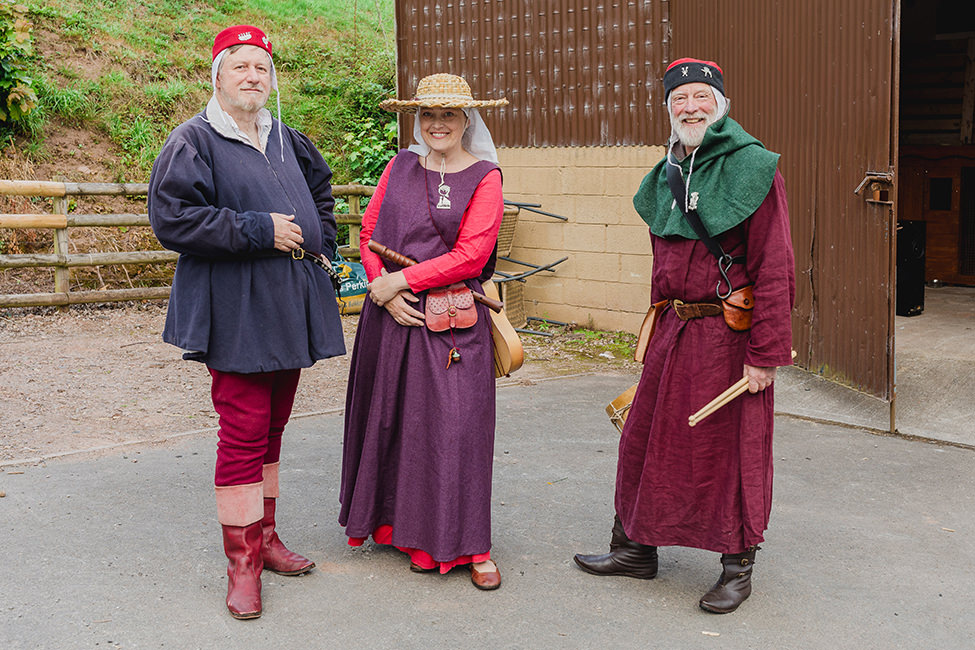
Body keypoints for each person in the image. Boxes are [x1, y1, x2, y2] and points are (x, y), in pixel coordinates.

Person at [573, 58, 795, 613]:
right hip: (674, 330)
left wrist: (765, 354)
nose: (690, 107)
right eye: (679, 99)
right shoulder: (668, 170)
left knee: (729, 450)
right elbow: (662, 262)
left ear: (720, 103)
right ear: (669, 108)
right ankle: (635, 548)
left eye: (700, 96)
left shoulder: (754, 167)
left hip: (728, 338)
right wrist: (653, 327)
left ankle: (737, 566)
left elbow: (775, 266)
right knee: (645, 438)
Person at [147, 25, 345, 619]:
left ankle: (267, 537)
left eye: (262, 67)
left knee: (274, 429)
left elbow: (323, 196)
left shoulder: (288, 138)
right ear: (217, 75)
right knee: (243, 430)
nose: (253, 77)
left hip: (290, 305)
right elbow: (173, 220)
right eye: (241, 67)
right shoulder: (193, 142)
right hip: (235, 310)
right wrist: (259, 228)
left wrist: (323, 247)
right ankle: (242, 564)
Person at [338, 73, 508, 590]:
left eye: (449, 115)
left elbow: (471, 256)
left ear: (467, 121)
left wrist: (399, 282)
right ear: (418, 120)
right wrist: (381, 290)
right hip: (391, 322)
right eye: (429, 115)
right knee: (397, 425)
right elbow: (368, 233)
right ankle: (401, 529)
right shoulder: (399, 166)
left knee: (457, 432)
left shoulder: (485, 177)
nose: (438, 124)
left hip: (451, 326)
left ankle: (470, 545)